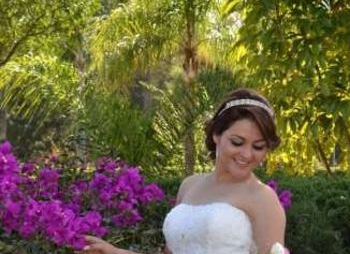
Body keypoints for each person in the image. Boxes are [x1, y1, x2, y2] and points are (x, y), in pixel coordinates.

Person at [82, 88, 287, 254]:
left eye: (258, 146)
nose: (247, 154)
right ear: (216, 134)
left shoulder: (263, 199)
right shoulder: (190, 185)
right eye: (237, 142)